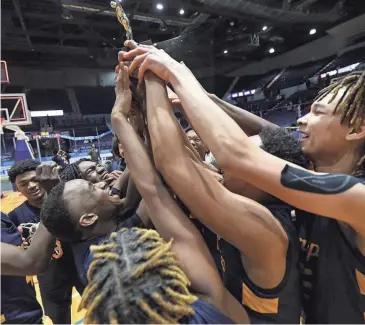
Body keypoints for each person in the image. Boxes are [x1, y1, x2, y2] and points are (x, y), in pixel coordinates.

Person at [122, 45, 365, 323]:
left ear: (357, 130)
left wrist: (174, 71)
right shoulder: (318, 178)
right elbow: (276, 139)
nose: (301, 120)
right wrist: (206, 99)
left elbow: (238, 155)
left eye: (317, 112)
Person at [81, 66, 248, 324]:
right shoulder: (211, 302)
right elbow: (156, 191)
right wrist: (122, 117)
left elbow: (154, 190)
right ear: (175, 271)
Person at [142, 69, 307, 323]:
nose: (225, 160)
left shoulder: (267, 230)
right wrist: (157, 103)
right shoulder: (252, 200)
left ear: (266, 177)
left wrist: (153, 79)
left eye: (245, 159)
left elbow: (173, 165)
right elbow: (186, 159)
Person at [7, 159, 85, 324]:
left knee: (105, 311)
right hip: (50, 279)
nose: (31, 186)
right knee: (59, 321)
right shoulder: (15, 216)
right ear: (17, 188)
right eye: (23, 183)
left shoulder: (68, 199)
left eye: (35, 179)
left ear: (43, 178)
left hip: (82, 267)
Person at [1, 212, 44, 324]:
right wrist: (49, 220)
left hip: (26, 308)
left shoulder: (2, 216)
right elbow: (31, 264)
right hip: (12, 318)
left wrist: (19, 243)